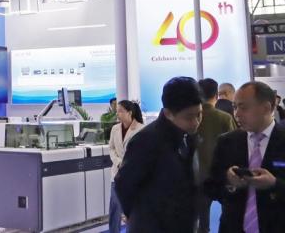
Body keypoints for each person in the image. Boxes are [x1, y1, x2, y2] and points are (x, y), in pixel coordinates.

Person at [115, 76, 203, 233]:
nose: (196, 122)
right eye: (189, 117)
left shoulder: (188, 136)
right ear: (168, 113)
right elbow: (124, 184)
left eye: (199, 114)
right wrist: (140, 217)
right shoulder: (146, 141)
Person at [206, 81, 285, 232]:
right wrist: (229, 181)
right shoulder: (226, 142)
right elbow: (210, 186)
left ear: (266, 108)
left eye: (243, 107)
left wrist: (275, 184)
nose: (236, 114)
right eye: (235, 107)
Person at [197, 78, 237, 233]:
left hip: (198, 176)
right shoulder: (224, 118)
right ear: (216, 95)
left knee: (202, 223)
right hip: (223, 176)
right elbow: (235, 147)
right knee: (229, 216)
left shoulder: (193, 117)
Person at [108, 100, 144, 233]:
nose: (118, 114)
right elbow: (111, 148)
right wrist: (118, 161)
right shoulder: (115, 129)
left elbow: (142, 152)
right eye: (117, 111)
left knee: (133, 210)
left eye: (121, 111)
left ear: (130, 112)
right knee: (114, 208)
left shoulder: (141, 129)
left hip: (133, 174)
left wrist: (127, 163)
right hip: (117, 173)